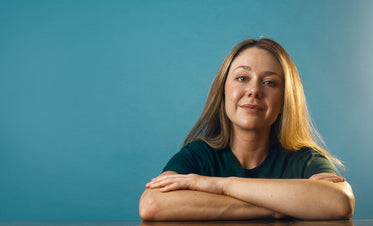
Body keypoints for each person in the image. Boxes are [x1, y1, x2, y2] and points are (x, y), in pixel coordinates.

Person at [139, 38, 355, 221]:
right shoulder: (199, 155)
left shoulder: (304, 159)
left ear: (284, 100)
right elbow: (152, 204)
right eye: (242, 78)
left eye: (270, 82)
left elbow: (339, 202)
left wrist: (220, 186)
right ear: (223, 91)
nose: (253, 91)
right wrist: (281, 206)